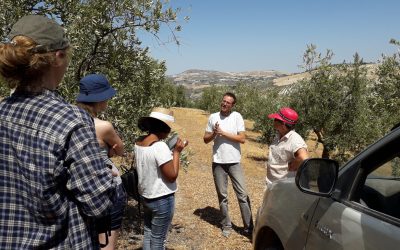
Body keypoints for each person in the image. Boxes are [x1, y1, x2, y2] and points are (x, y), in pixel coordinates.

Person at [0, 15, 116, 249]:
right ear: (58, 57)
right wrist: (107, 176)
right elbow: (98, 203)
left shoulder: (2, 110)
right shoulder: (71, 120)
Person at [76, 74, 127, 250]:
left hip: (80, 187)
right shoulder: (104, 126)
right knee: (107, 242)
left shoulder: (71, 119)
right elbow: (120, 150)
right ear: (99, 100)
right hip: (108, 186)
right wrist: (109, 150)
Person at [135, 107, 188, 250]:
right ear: (164, 128)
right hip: (162, 199)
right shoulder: (160, 147)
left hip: (146, 196)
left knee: (148, 233)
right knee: (159, 240)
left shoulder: (139, 142)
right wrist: (176, 152)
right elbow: (172, 176)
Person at [203, 92, 253, 238]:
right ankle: (226, 225)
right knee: (222, 196)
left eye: (228, 102)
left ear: (232, 105)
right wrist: (214, 133)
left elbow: (242, 139)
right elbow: (205, 139)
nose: (224, 104)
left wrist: (223, 133)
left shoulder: (236, 117)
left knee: (243, 195)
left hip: (234, 162)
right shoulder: (213, 117)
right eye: (223, 101)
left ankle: (249, 227)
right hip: (218, 162)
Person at [266, 107, 309, 188]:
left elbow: (304, 157)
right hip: (272, 183)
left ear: (283, 124)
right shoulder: (279, 135)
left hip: (283, 187)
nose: (274, 120)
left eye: (276, 119)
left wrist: (292, 166)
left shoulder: (295, 139)